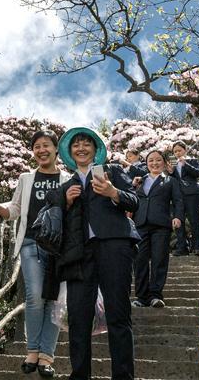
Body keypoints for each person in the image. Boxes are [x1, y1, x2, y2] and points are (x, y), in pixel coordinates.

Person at [0, 129, 65, 377]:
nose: (41, 150)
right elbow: (15, 209)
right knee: (35, 296)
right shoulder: (26, 178)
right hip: (31, 244)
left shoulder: (67, 179)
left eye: (46, 145)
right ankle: (32, 351)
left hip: (58, 249)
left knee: (55, 300)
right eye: (37, 146)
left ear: (56, 149)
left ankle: (46, 356)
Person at [55, 127, 139, 380]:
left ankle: (123, 376)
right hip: (79, 255)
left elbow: (134, 201)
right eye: (76, 145)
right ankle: (79, 375)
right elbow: (55, 221)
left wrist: (113, 192)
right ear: (70, 153)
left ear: (95, 149)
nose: (81, 148)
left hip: (115, 247)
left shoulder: (112, 171)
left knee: (118, 314)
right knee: (79, 319)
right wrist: (65, 202)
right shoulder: (66, 184)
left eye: (86, 144)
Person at [132, 149, 184, 308]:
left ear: (164, 162)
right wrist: (132, 187)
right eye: (150, 160)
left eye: (158, 160)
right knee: (139, 260)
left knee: (159, 259)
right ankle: (141, 297)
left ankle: (155, 295)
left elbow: (178, 201)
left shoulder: (170, 181)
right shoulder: (139, 181)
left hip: (161, 224)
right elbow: (129, 199)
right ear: (146, 164)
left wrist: (178, 217)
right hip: (140, 224)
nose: (154, 163)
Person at [170, 141, 199, 256]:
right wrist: (170, 172)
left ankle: (197, 247)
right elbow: (172, 179)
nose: (177, 153)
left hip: (192, 194)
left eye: (179, 150)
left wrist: (186, 164)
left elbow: (198, 173)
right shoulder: (174, 163)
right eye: (175, 151)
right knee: (179, 221)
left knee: (194, 220)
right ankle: (182, 247)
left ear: (185, 150)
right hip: (178, 196)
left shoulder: (192, 160)